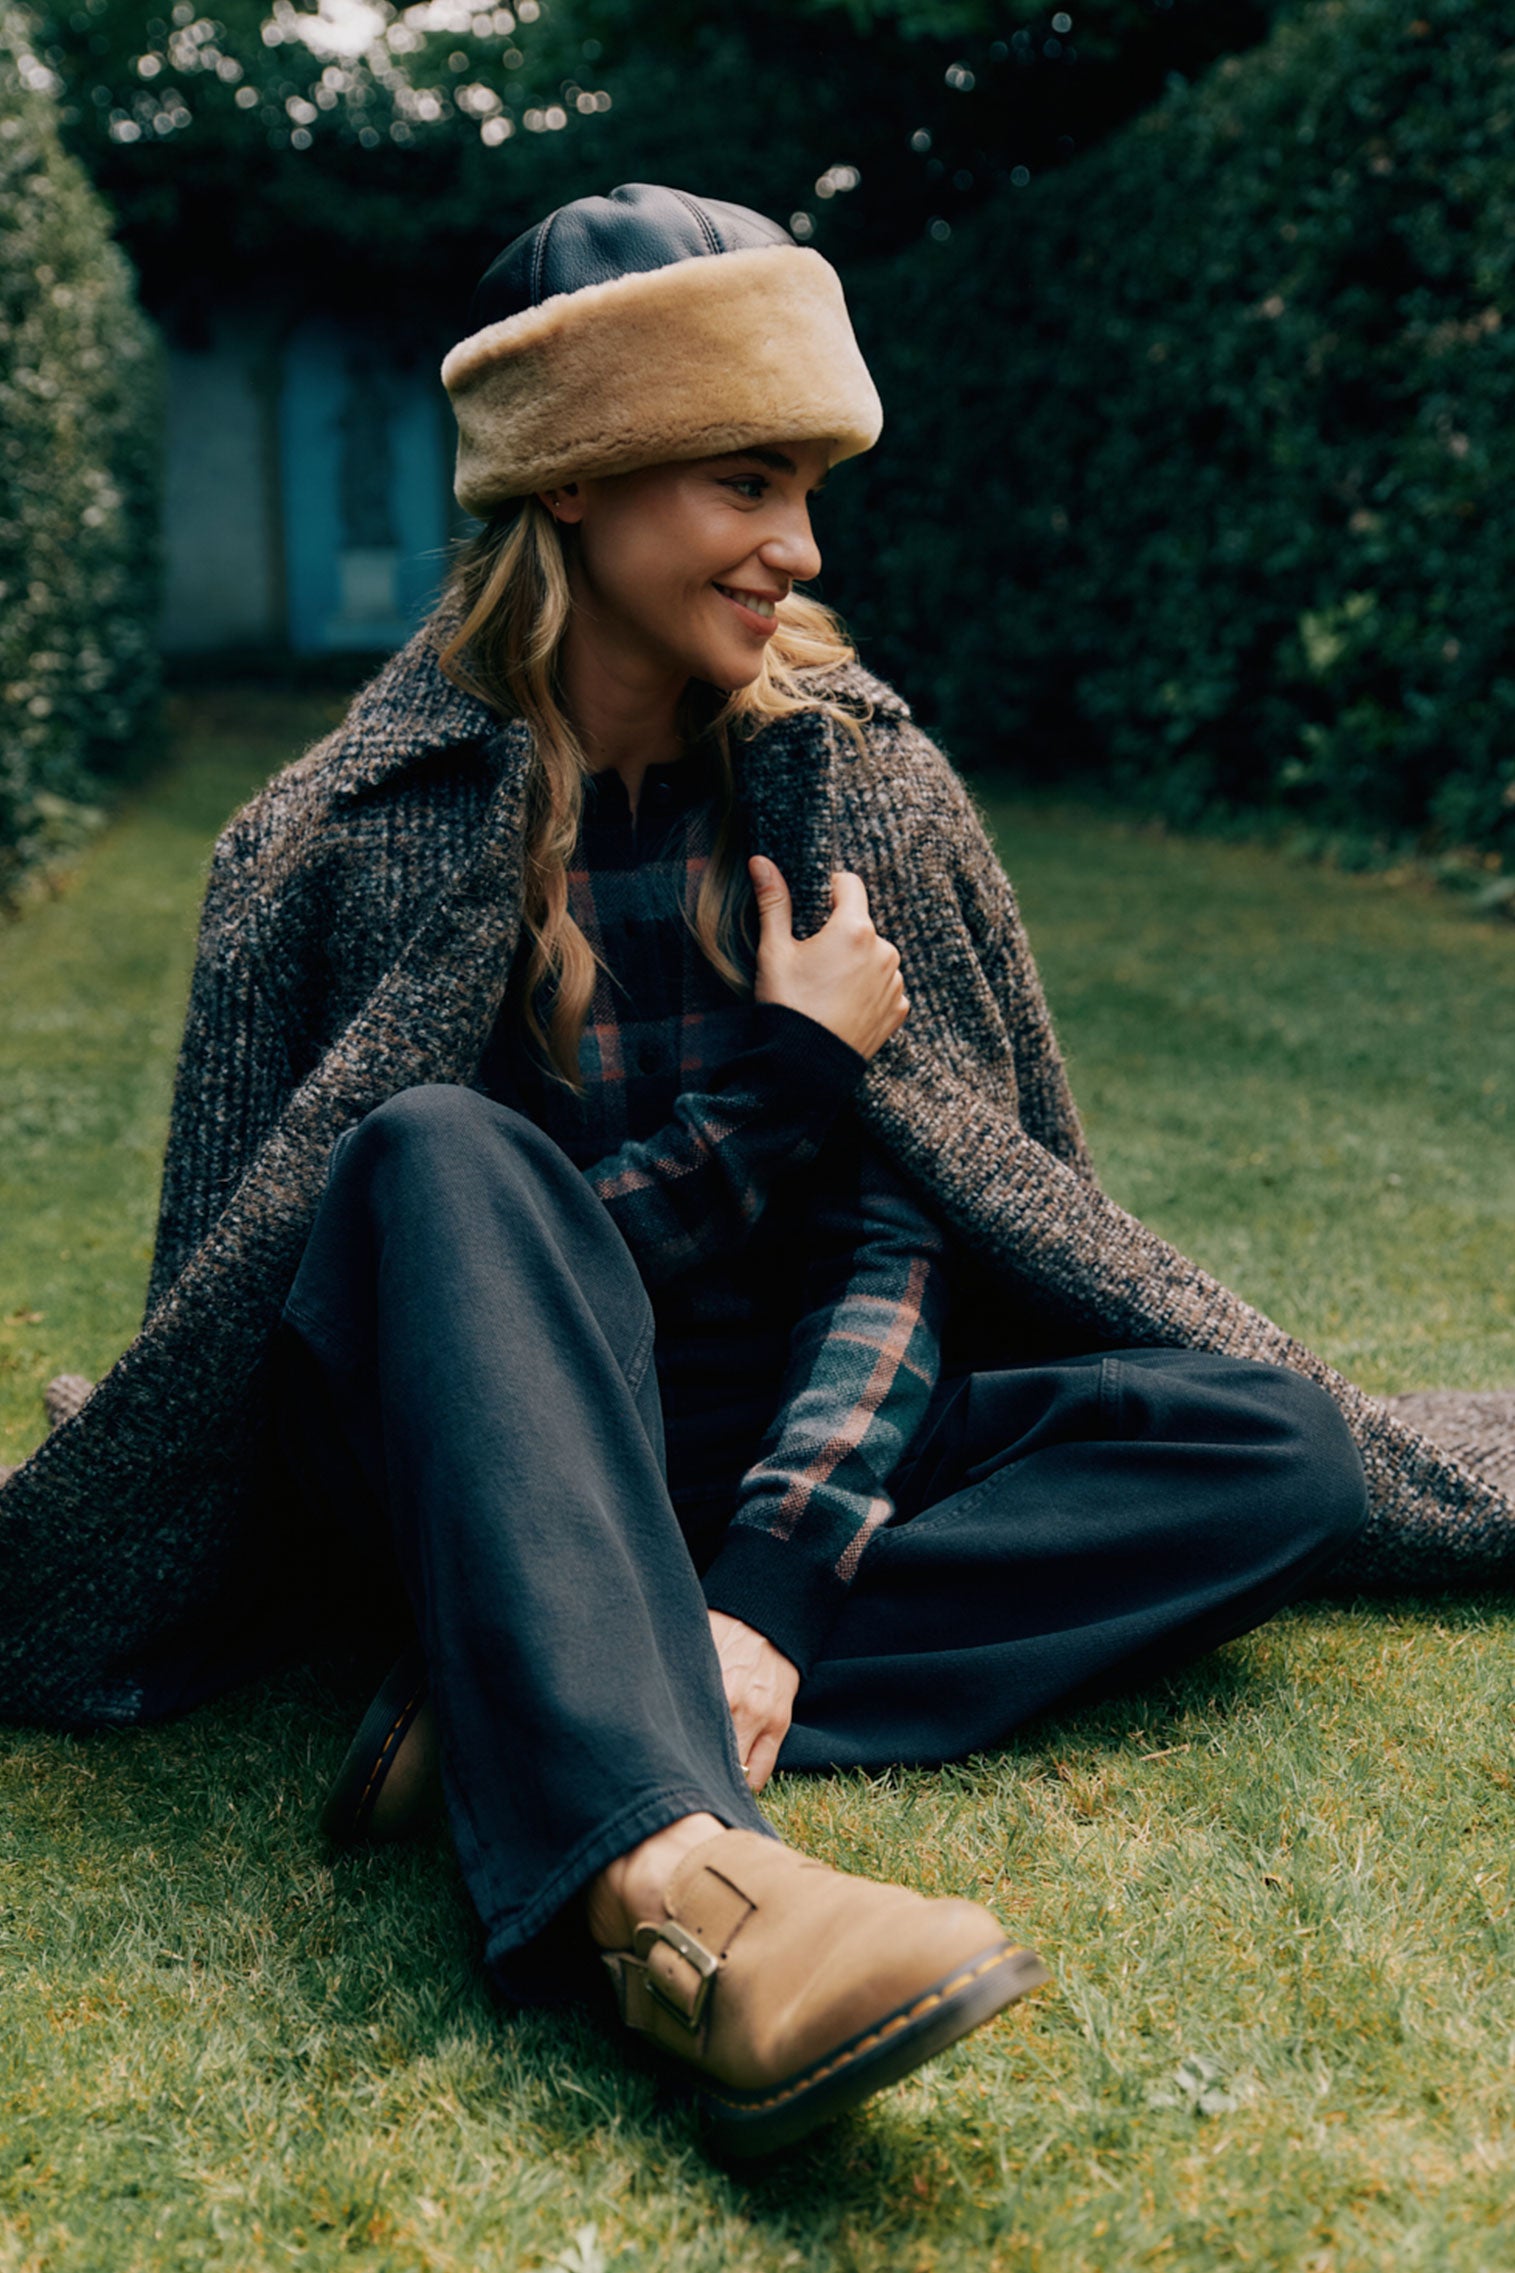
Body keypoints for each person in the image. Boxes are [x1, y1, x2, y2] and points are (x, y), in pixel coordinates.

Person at [7, 180, 1497, 2155]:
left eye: (805, 486)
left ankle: (514, 1706)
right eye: (743, 481)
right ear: (571, 480)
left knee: (1274, 1453)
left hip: (769, 1441)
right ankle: (676, 1887)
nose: (797, 547)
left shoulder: (864, 783)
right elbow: (412, 1299)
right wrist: (788, 1085)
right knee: (438, 1156)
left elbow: (916, 1226)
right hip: (496, 1457)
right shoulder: (336, 841)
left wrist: (779, 1580)